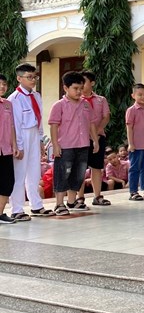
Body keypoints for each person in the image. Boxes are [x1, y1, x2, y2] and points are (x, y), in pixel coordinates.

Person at [48, 71, 99, 216]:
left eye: (81, 88)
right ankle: (59, 204)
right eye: (75, 88)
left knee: (78, 174)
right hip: (66, 146)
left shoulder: (86, 104)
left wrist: (95, 140)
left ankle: (71, 202)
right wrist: (55, 145)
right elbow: (53, 125)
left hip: (83, 145)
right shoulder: (59, 105)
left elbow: (91, 124)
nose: (79, 92)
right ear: (65, 88)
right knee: (62, 174)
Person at [7, 63, 52, 219]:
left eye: (35, 77)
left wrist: (40, 139)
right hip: (21, 135)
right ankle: (17, 209)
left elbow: (39, 119)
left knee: (34, 172)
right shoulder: (15, 98)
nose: (33, 80)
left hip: (34, 134)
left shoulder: (36, 95)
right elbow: (15, 124)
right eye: (29, 77)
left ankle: (36, 205)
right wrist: (18, 146)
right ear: (19, 78)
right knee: (19, 173)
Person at [76, 70, 111, 207]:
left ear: (92, 83)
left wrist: (96, 132)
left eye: (84, 82)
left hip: (98, 136)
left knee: (96, 167)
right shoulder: (76, 100)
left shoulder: (101, 100)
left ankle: (97, 196)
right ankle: (79, 197)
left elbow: (106, 116)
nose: (81, 85)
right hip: (80, 138)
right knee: (80, 167)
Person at [125, 83, 144, 201]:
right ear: (133, 95)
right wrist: (130, 143)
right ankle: (133, 191)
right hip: (137, 144)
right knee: (134, 168)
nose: (143, 97)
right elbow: (129, 127)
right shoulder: (131, 110)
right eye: (140, 94)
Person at [0, 74, 22, 224]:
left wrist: (14, 145)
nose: (2, 87)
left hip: (6, 149)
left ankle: (0, 213)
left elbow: (12, 126)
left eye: (4, 84)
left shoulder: (8, 104)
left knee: (7, 182)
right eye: (0, 84)